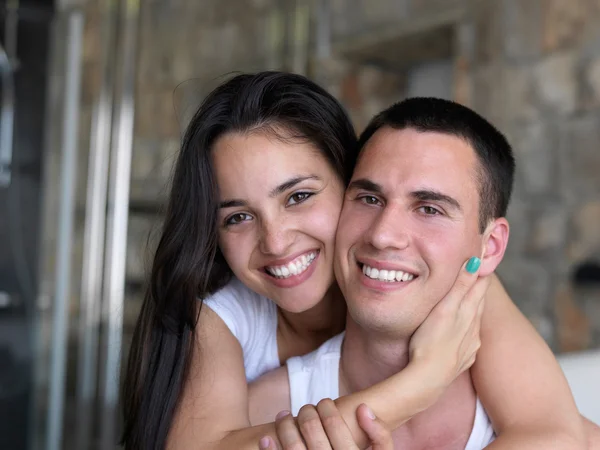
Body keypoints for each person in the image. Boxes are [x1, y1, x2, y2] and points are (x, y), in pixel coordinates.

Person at [120, 72, 586, 450]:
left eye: (299, 196)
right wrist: (421, 383)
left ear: (347, 183)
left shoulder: (461, 280)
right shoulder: (224, 322)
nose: (277, 241)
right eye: (238, 217)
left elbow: (560, 434)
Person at [251, 97, 590, 449]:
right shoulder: (266, 413)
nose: (383, 235)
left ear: (489, 248)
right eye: (369, 198)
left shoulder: (536, 416)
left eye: (429, 208)